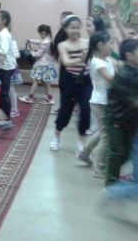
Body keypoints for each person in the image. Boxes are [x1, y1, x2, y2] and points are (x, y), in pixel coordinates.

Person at [50, 15, 92, 152]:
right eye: (72, 28)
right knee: (66, 110)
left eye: (77, 28)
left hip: (85, 81)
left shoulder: (86, 42)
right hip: (69, 81)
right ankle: (56, 136)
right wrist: (81, 59)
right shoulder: (62, 45)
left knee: (85, 110)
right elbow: (66, 62)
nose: (75, 30)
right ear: (65, 29)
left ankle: (81, 141)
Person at [76, 32, 115, 178]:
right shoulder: (97, 63)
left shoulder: (106, 60)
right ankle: (99, 168)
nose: (112, 47)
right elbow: (112, 80)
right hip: (100, 102)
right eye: (110, 43)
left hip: (106, 101)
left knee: (104, 131)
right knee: (107, 136)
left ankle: (84, 152)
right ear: (100, 45)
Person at [103, 38, 138, 189]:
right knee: (115, 152)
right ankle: (110, 184)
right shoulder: (123, 75)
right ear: (129, 55)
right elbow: (132, 101)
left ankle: (110, 171)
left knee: (127, 151)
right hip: (116, 119)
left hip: (131, 119)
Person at [19, 25, 57, 106]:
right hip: (47, 64)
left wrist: (30, 52)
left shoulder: (45, 42)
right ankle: (50, 98)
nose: (39, 35)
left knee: (36, 81)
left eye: (39, 33)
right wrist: (31, 40)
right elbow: (40, 42)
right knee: (46, 82)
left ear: (43, 32)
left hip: (41, 65)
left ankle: (30, 98)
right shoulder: (48, 40)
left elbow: (38, 54)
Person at [0, 10, 16, 120]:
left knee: (4, 93)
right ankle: (1, 115)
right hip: (2, 65)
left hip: (6, 67)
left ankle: (6, 117)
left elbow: (4, 51)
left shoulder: (4, 34)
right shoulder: (1, 33)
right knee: (1, 91)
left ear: (4, 21)